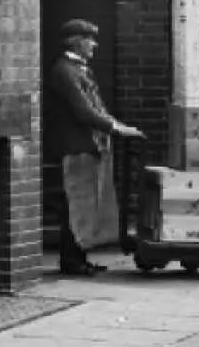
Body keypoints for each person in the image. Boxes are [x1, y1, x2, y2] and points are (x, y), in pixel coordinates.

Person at [45, 18, 143, 275]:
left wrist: (118, 126)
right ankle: (71, 261)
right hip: (74, 147)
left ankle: (79, 257)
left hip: (86, 146)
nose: (94, 45)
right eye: (89, 39)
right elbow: (84, 111)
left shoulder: (78, 70)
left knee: (85, 206)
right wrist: (116, 128)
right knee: (75, 206)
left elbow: (97, 108)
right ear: (75, 42)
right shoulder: (65, 71)